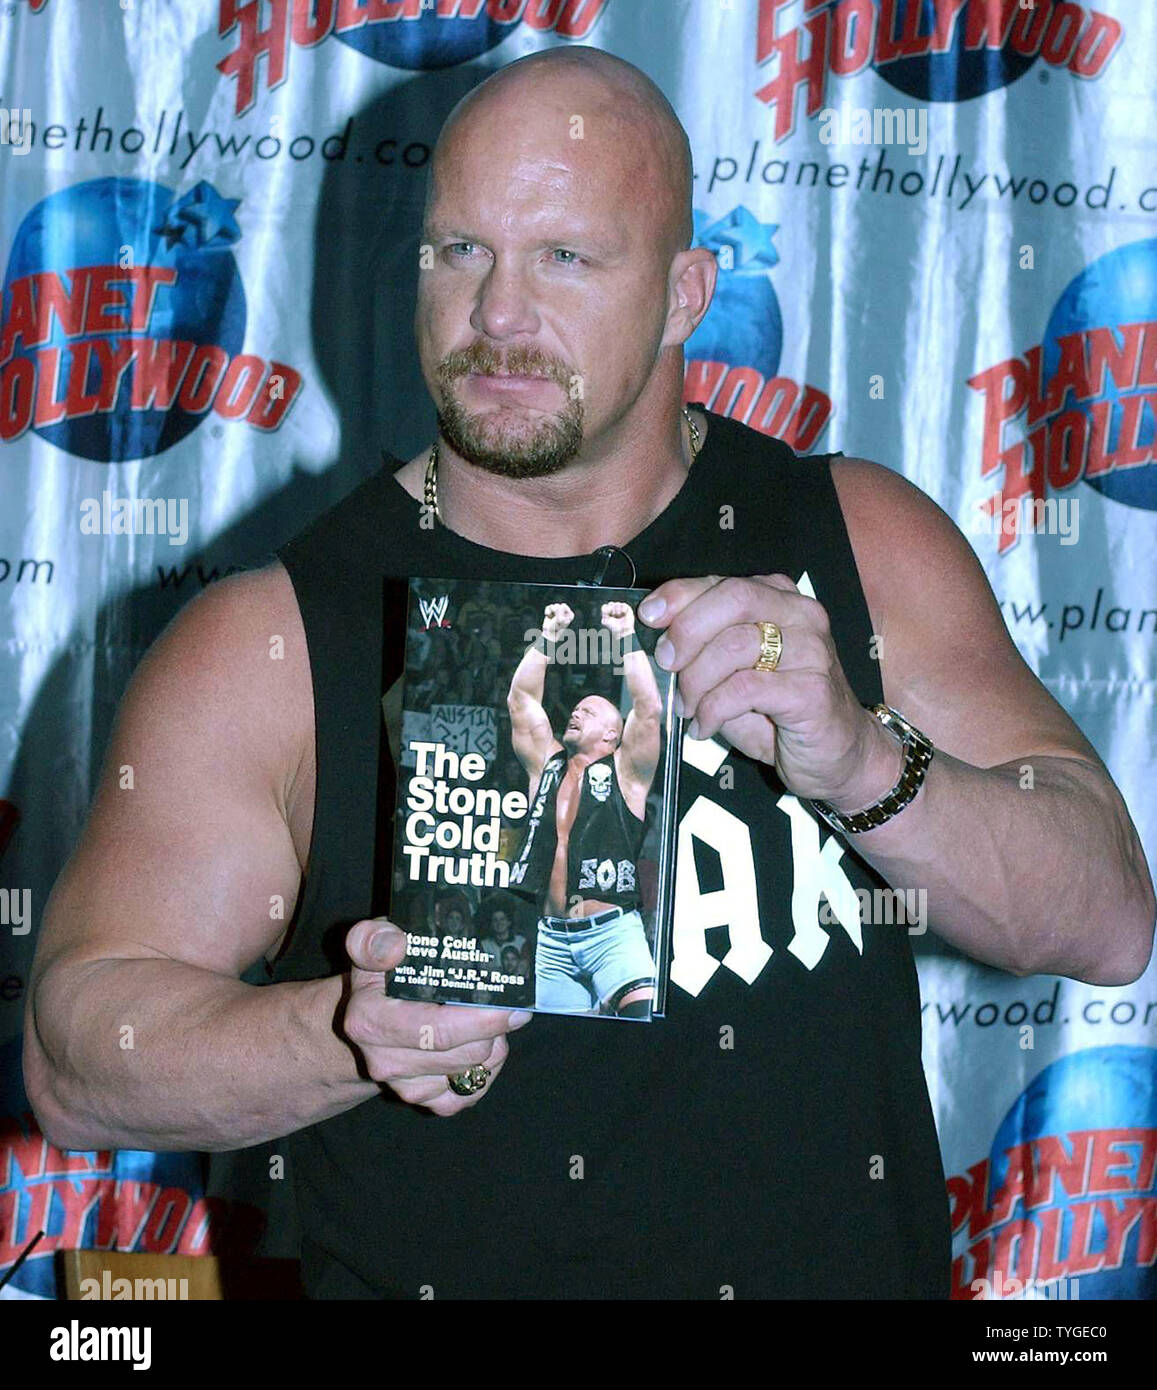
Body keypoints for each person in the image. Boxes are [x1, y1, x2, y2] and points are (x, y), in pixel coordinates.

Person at [24, 47, 1154, 1300]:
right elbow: (79, 1056)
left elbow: (1105, 919)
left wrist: (867, 760)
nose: (498, 316)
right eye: (461, 252)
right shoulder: (273, 636)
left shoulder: (858, 541)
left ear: (684, 294)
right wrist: (340, 1029)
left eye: (564, 257)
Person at [505, 600, 663, 1016]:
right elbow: (521, 698)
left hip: (612, 934)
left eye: (589, 712)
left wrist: (627, 636)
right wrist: (549, 635)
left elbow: (648, 709)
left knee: (638, 1022)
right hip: (552, 939)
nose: (576, 712)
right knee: (559, 1050)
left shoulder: (628, 774)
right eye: (576, 709)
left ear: (613, 734)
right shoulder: (547, 764)